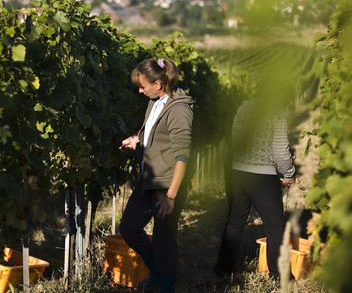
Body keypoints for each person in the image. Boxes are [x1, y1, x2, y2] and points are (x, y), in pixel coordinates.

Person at [118, 57, 194, 293]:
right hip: (149, 178)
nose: (140, 90)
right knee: (129, 227)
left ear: (159, 84)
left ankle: (167, 284)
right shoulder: (156, 101)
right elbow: (153, 130)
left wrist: (171, 196)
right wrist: (137, 139)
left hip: (167, 183)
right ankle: (157, 270)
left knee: (164, 237)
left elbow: (183, 156)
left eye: (143, 86)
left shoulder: (180, 110)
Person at [213, 98, 296, 280]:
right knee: (275, 227)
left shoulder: (243, 108)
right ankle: (279, 275)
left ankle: (222, 268)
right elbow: (281, 152)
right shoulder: (276, 114)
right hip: (263, 177)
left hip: (237, 173)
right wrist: (289, 174)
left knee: (235, 223)